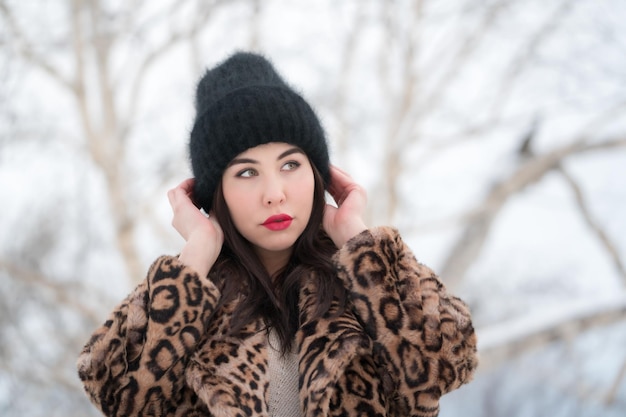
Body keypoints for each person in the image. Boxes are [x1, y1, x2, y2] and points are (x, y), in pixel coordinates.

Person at [77, 51, 478, 417]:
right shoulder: (195, 300)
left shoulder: (361, 286)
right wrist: (196, 253)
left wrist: (356, 239)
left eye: (290, 165)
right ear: (216, 196)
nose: (275, 194)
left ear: (319, 175)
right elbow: (119, 397)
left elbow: (444, 363)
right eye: (247, 172)